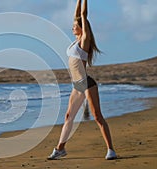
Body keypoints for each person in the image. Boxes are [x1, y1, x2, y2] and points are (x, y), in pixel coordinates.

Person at [47, 0, 117, 160]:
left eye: (75, 25)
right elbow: (77, 15)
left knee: (98, 117)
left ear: (82, 27)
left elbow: (83, 15)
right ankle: (60, 149)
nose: (72, 27)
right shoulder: (74, 41)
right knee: (68, 117)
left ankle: (111, 150)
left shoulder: (84, 40)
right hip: (77, 85)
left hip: (87, 84)